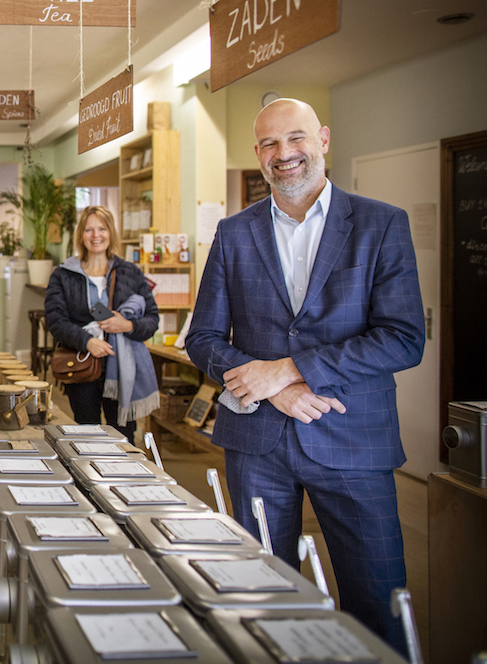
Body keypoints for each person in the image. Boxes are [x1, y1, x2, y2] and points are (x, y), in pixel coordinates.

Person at [185, 98, 424, 653]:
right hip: (257, 445)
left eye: (295, 139)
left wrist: (289, 371)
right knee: (263, 597)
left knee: (378, 602)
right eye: (269, 143)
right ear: (257, 154)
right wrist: (278, 390)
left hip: (354, 441)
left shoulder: (380, 224)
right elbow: (203, 339)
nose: (283, 153)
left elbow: (403, 337)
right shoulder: (234, 232)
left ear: (323, 138)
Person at [44, 205, 160, 443]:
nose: (96, 235)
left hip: (122, 369)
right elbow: (55, 320)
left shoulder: (130, 272)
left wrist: (127, 326)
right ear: (81, 235)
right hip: (81, 366)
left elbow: (152, 319)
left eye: (101, 228)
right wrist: (87, 342)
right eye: (89, 230)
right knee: (86, 436)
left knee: (123, 437)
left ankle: (122, 481)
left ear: (110, 233)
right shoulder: (63, 274)